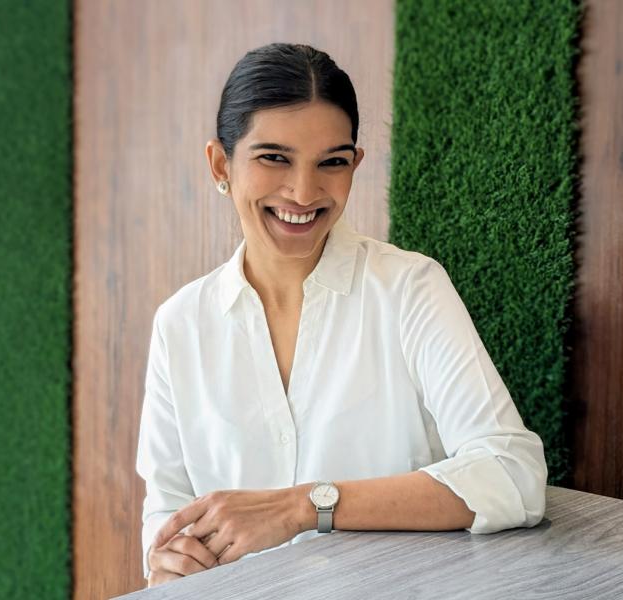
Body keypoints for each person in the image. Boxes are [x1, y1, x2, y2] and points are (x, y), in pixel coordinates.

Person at [136, 42, 548, 588]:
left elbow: (513, 474)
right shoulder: (179, 324)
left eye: (331, 162)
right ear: (220, 164)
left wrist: (307, 505)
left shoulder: (409, 288)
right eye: (273, 158)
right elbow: (165, 512)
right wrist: (166, 560)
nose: (304, 192)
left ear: (354, 165)